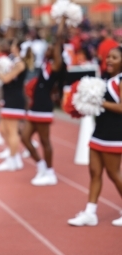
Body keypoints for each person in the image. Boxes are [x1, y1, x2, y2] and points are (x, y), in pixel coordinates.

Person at [68, 46, 122, 227]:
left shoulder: (120, 81)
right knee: (94, 173)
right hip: (99, 132)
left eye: (114, 58)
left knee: (114, 174)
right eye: (109, 57)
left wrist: (98, 101)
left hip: (114, 135)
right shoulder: (106, 79)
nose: (109, 60)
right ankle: (90, 212)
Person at [21, 16, 65, 186]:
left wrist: (61, 22)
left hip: (43, 108)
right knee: (25, 138)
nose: (48, 49)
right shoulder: (45, 64)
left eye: (51, 48)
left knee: (45, 141)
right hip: (35, 107)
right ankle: (41, 166)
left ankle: (50, 172)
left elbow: (58, 40)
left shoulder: (56, 66)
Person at [0, 40, 34, 171]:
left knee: (12, 131)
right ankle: (14, 156)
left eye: (13, 44)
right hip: (8, 98)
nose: (10, 46)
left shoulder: (21, 64)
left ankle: (12, 160)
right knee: (3, 130)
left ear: (17, 48)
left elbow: (6, 79)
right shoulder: (15, 62)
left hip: (15, 100)